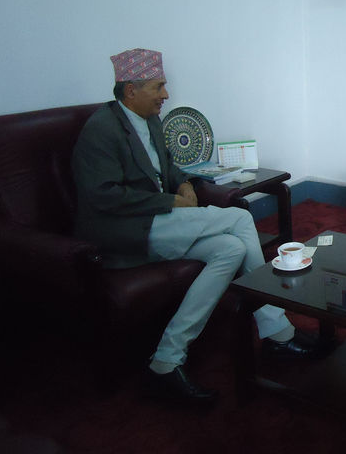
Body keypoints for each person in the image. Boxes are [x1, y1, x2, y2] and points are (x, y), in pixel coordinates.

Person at [72, 48, 315, 402]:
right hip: (124, 232)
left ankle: (166, 360)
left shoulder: (150, 120)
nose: (165, 94)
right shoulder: (101, 130)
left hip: (157, 221)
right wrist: (170, 201)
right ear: (131, 90)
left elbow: (167, 168)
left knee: (231, 249)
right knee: (241, 217)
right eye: (158, 87)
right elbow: (103, 196)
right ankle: (277, 329)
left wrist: (184, 184)